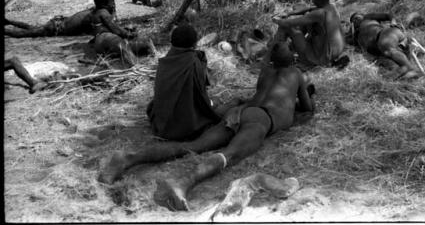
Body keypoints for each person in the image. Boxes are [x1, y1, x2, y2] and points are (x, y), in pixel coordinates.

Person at [97, 42, 315, 213]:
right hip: (261, 119)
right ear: (293, 60)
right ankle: (183, 183)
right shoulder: (296, 74)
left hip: (241, 111)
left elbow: (266, 91)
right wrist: (308, 94)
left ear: (273, 62)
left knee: (193, 145)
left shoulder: (266, 72)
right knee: (229, 155)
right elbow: (307, 108)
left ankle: (128, 157)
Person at [146, 24, 222, 141]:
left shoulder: (165, 61)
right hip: (183, 127)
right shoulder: (193, 63)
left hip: (161, 122)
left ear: (172, 42)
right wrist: (210, 106)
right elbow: (201, 98)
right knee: (215, 103)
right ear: (194, 44)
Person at [271, 0, 348, 69]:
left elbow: (289, 23)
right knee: (305, 17)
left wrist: (276, 20)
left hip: (322, 59)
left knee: (289, 28)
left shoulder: (319, 14)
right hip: (334, 54)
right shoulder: (332, 7)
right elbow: (310, 8)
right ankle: (285, 49)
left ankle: (274, 55)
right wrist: (290, 13)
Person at [89, 0, 153, 67]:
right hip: (104, 37)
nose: (113, 4)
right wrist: (130, 34)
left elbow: (110, 27)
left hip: (100, 43)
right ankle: (136, 66)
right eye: (112, 2)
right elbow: (116, 30)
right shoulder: (103, 12)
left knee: (143, 45)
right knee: (123, 46)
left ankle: (117, 57)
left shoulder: (96, 12)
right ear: (104, 3)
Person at [349, 12, 419, 79]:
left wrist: (393, 22)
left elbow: (388, 15)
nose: (355, 20)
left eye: (357, 17)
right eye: (353, 20)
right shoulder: (356, 36)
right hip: (388, 44)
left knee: (388, 50)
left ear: (362, 15)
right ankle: (408, 63)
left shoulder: (368, 17)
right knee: (389, 55)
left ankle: (409, 70)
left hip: (387, 34)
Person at [5, 8, 96, 38]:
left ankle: (9, 22)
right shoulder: (93, 17)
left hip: (56, 22)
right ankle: (6, 30)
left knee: (31, 28)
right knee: (23, 34)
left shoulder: (90, 10)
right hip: (54, 29)